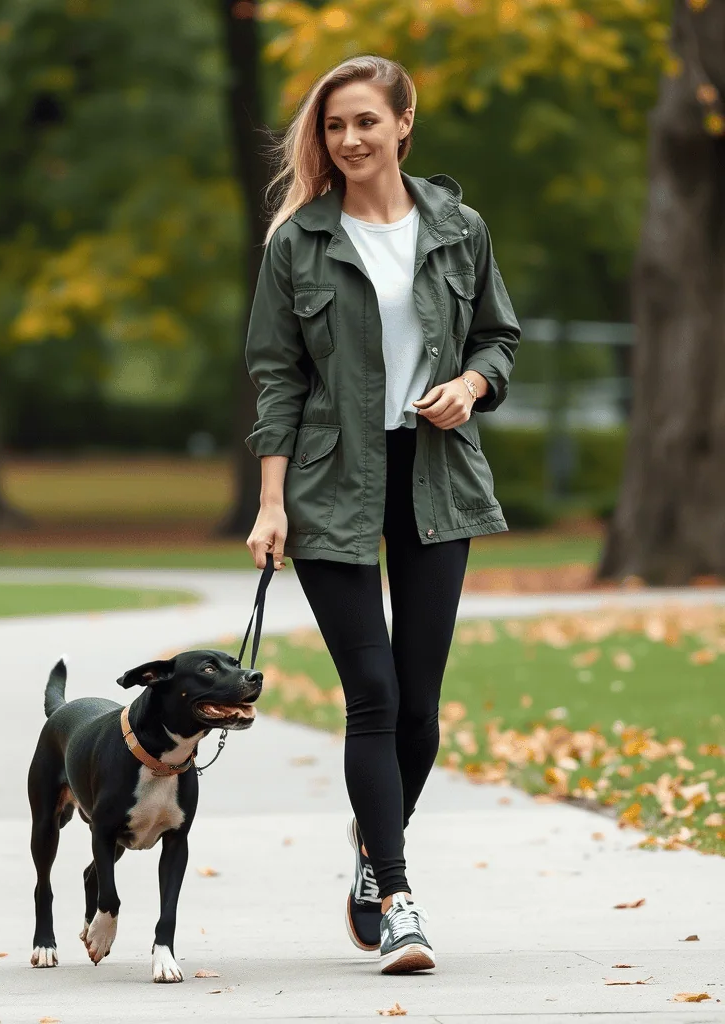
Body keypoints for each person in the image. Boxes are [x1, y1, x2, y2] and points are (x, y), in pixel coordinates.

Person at [244, 55, 520, 974]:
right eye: (333, 127)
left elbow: (498, 335)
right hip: (330, 484)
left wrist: (473, 383)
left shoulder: (459, 227)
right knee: (375, 699)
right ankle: (399, 899)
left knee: (421, 707)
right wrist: (271, 501)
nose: (349, 139)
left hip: (436, 474)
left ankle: (371, 851)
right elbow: (277, 375)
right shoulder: (299, 243)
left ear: (405, 122)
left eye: (366, 121)